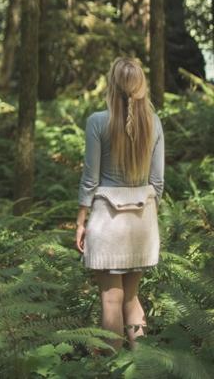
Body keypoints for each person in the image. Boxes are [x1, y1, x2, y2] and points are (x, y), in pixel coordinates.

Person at [75, 57, 165, 353]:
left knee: (110, 299)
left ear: (112, 86)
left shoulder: (97, 122)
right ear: (142, 86)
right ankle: (143, 367)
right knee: (131, 297)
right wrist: (148, 216)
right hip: (143, 220)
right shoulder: (154, 123)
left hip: (108, 222)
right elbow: (158, 182)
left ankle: (108, 369)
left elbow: (90, 178)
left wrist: (80, 220)